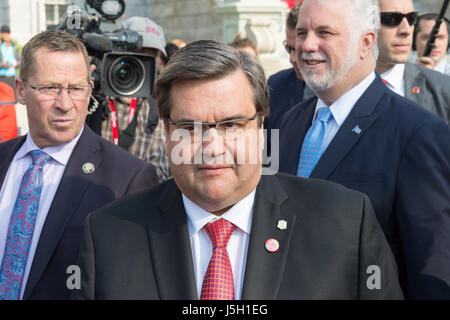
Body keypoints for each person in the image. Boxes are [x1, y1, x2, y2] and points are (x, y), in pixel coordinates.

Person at [73, 39, 403, 300]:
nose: (213, 147)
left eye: (231, 124)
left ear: (260, 126)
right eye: (190, 127)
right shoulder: (107, 237)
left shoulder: (344, 222)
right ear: (167, 132)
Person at [278, 0, 450, 299]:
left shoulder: (417, 132)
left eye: (324, 33)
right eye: (302, 32)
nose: (306, 45)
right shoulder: (291, 122)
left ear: (365, 42)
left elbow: (432, 262)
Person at [0, 30, 158, 300]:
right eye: (49, 88)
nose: (65, 104)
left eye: (76, 89)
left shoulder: (126, 179)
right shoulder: (3, 159)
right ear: (21, 90)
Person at [101, 16, 170, 182]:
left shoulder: (156, 112)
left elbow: (159, 172)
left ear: (159, 62)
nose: (138, 64)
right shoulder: (94, 99)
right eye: (136, 54)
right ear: (117, 51)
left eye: (149, 57)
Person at [375, 0, 450, 124]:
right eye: (391, 19)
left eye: (411, 19)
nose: (406, 30)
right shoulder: (336, 89)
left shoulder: (444, 89)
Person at [266, 2, 314, 131]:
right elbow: (270, 146)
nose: (292, 59)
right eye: (289, 48)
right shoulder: (276, 86)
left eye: (300, 50)